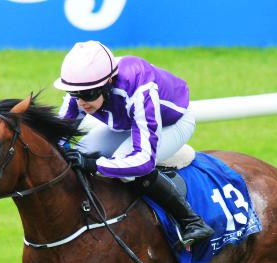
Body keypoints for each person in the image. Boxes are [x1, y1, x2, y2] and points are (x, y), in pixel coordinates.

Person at [54, 41, 214, 247]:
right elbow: (59, 136)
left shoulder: (140, 88)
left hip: (173, 122)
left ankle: (191, 221)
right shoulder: (83, 86)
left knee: (124, 166)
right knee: (80, 151)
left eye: (88, 95)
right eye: (76, 95)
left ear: (109, 82)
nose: (81, 102)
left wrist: (95, 165)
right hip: (129, 122)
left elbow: (143, 161)